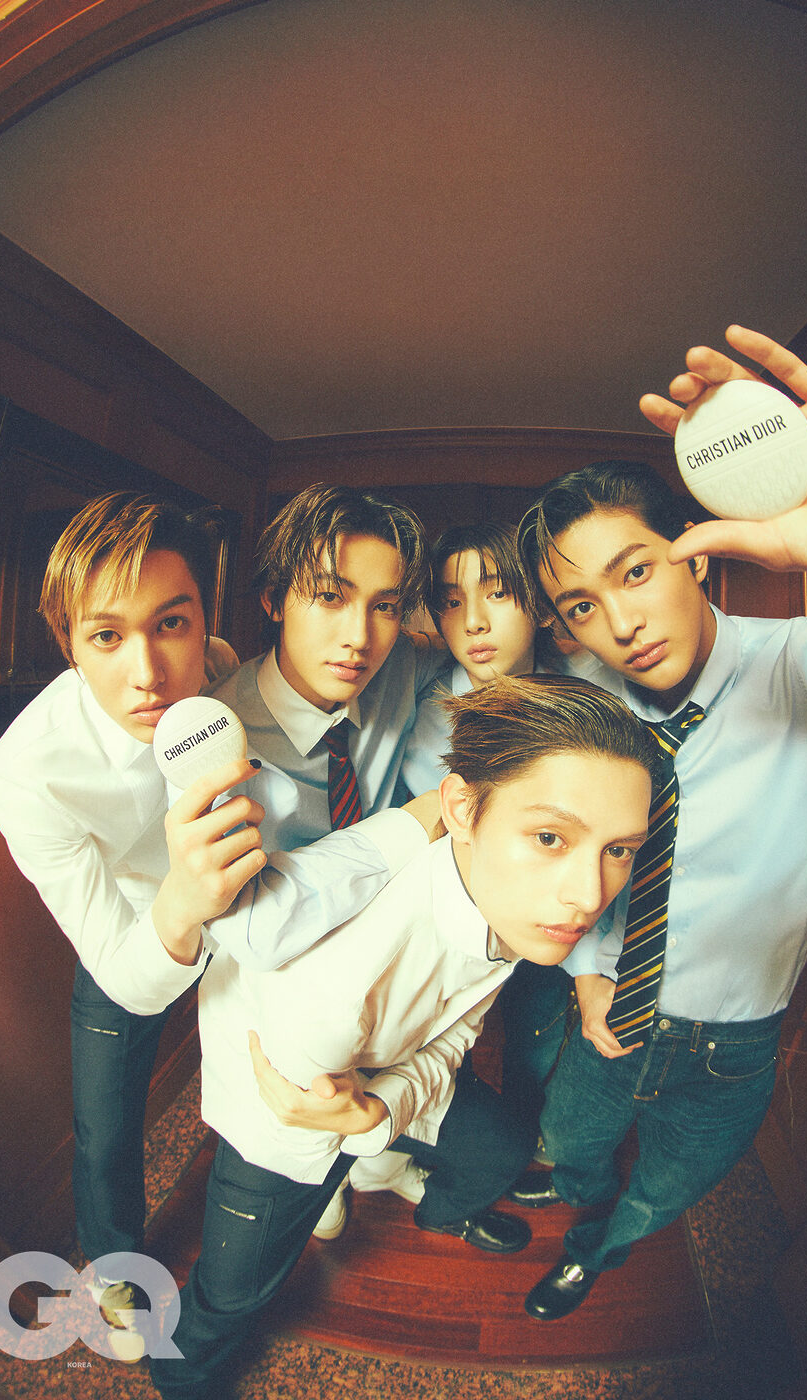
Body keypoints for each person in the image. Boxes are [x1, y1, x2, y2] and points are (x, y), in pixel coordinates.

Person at [510, 325, 807, 1320]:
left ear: (697, 556)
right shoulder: (587, 704)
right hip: (607, 1012)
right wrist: (587, 968)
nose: (619, 623)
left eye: (635, 571)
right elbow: (573, 859)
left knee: (667, 1186)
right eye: (580, 606)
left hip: (732, 1042)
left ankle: (603, 1250)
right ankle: (578, 1203)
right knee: (571, 1142)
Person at [0, 491, 436, 1329]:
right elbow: (125, 973)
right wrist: (183, 904)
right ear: (67, 640)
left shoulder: (222, 673)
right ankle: (115, 1271)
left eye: (172, 624)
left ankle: (316, 1178)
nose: (149, 673)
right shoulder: (27, 774)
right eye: (106, 636)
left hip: (250, 911)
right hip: (135, 932)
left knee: (278, 1064)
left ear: (205, 620)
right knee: (107, 1121)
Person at [147, 674, 660, 1400]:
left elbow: (456, 1036)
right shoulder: (334, 987)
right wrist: (355, 1131)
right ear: (463, 810)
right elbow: (308, 1117)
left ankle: (423, 1198)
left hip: (384, 1069)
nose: (589, 895)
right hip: (283, 1121)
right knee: (235, 1291)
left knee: (501, 1145)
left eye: (619, 849)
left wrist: (382, 1110)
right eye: (550, 837)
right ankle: (180, 1375)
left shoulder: (509, 892)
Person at [209, 482, 447, 1232]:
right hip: (276, 994)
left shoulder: (399, 667)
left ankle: (378, 1162)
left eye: (384, 606)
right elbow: (256, 927)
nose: (359, 638)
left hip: (378, 958)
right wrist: (411, 823)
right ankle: (325, 1175)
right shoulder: (217, 739)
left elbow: (474, 653)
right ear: (274, 598)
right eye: (330, 597)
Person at [400, 521, 573, 1128]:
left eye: (497, 593)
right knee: (436, 1049)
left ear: (538, 603)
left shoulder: (581, 693)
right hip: (447, 922)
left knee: (536, 1032)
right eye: (451, 602)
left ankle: (528, 1127)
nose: (473, 621)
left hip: (550, 920)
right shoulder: (421, 706)